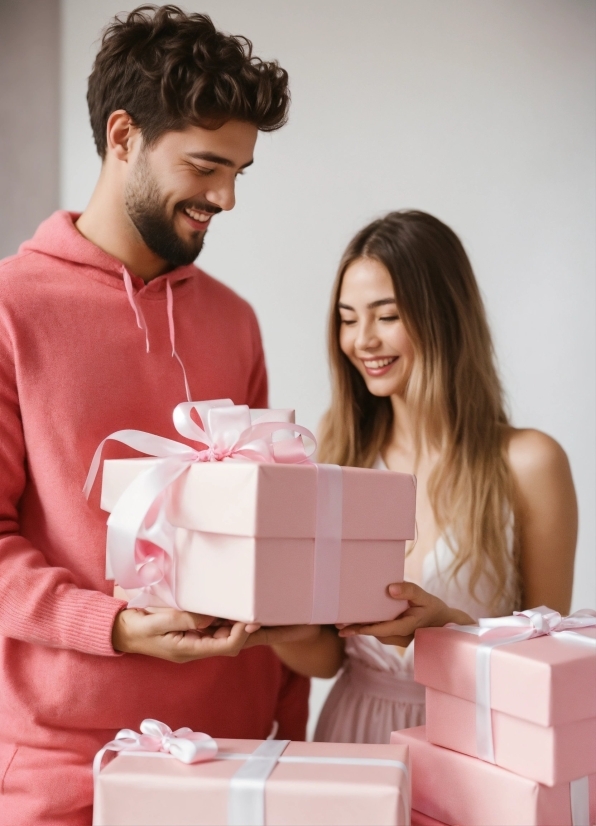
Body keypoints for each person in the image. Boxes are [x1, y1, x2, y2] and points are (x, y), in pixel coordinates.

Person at [0, 7, 338, 824]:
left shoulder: (235, 318)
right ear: (123, 137)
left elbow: (268, 537)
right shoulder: (13, 310)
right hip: (69, 773)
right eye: (204, 165)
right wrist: (115, 626)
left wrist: (286, 739)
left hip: (243, 762)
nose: (223, 196)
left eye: (239, 173)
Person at [313, 210, 578, 744]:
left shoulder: (529, 463)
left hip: (473, 741)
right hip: (353, 732)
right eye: (347, 318)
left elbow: (550, 669)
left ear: (444, 317)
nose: (361, 340)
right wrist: (258, 617)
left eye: (386, 316)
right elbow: (321, 660)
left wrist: (447, 627)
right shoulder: (338, 452)